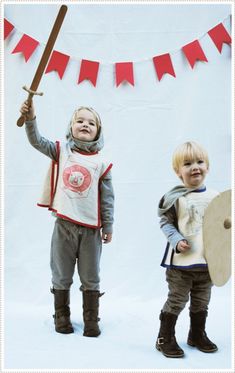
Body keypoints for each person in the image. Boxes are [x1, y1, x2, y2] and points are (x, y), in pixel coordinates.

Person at [20, 101, 114, 337]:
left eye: (91, 123)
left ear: (98, 131)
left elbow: (108, 198)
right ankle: (61, 316)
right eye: (80, 121)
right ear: (71, 126)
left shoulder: (102, 164)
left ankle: (91, 318)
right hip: (64, 226)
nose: (85, 124)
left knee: (90, 275)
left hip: (91, 230)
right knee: (61, 272)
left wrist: (108, 225)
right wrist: (31, 119)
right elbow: (37, 141)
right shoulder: (63, 152)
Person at [155, 141, 219, 358]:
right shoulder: (174, 197)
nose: (195, 167)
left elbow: (223, 226)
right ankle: (165, 338)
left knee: (202, 300)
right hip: (181, 264)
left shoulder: (216, 197)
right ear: (178, 171)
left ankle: (197, 334)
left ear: (207, 167)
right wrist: (176, 239)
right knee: (177, 300)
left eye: (200, 162)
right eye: (188, 163)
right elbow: (166, 222)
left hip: (207, 263)